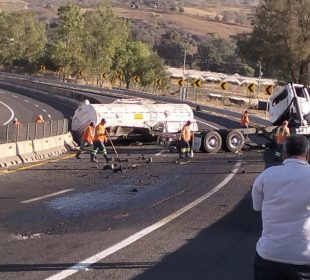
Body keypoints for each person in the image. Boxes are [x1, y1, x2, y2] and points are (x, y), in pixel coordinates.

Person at [252, 135, 310, 280]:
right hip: (304, 258)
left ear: (284, 154)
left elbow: (257, 207)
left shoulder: (266, 176)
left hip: (269, 255)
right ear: (307, 154)